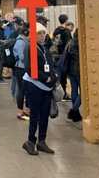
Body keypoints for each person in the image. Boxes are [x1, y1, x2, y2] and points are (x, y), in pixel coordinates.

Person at [22, 22, 57, 155]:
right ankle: (30, 142)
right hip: (34, 85)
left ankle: (42, 141)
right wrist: (46, 78)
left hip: (46, 88)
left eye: (43, 33)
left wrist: (53, 77)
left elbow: (50, 65)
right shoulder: (30, 48)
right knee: (35, 115)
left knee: (44, 116)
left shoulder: (43, 48)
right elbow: (30, 68)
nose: (42, 36)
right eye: (39, 34)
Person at [63, 28, 82, 122]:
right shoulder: (80, 43)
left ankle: (76, 114)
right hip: (79, 70)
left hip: (70, 70)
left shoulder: (70, 42)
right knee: (84, 92)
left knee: (74, 91)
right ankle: (74, 110)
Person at [52, 14, 72, 100]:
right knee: (65, 76)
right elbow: (69, 45)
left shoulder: (56, 30)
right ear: (66, 21)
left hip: (56, 56)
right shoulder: (67, 32)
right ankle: (64, 94)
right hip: (64, 57)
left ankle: (60, 93)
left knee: (59, 75)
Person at [12, 22, 30, 120]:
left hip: (22, 68)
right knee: (22, 90)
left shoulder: (22, 41)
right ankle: (20, 111)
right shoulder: (20, 42)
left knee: (25, 90)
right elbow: (21, 57)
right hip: (21, 68)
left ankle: (26, 110)